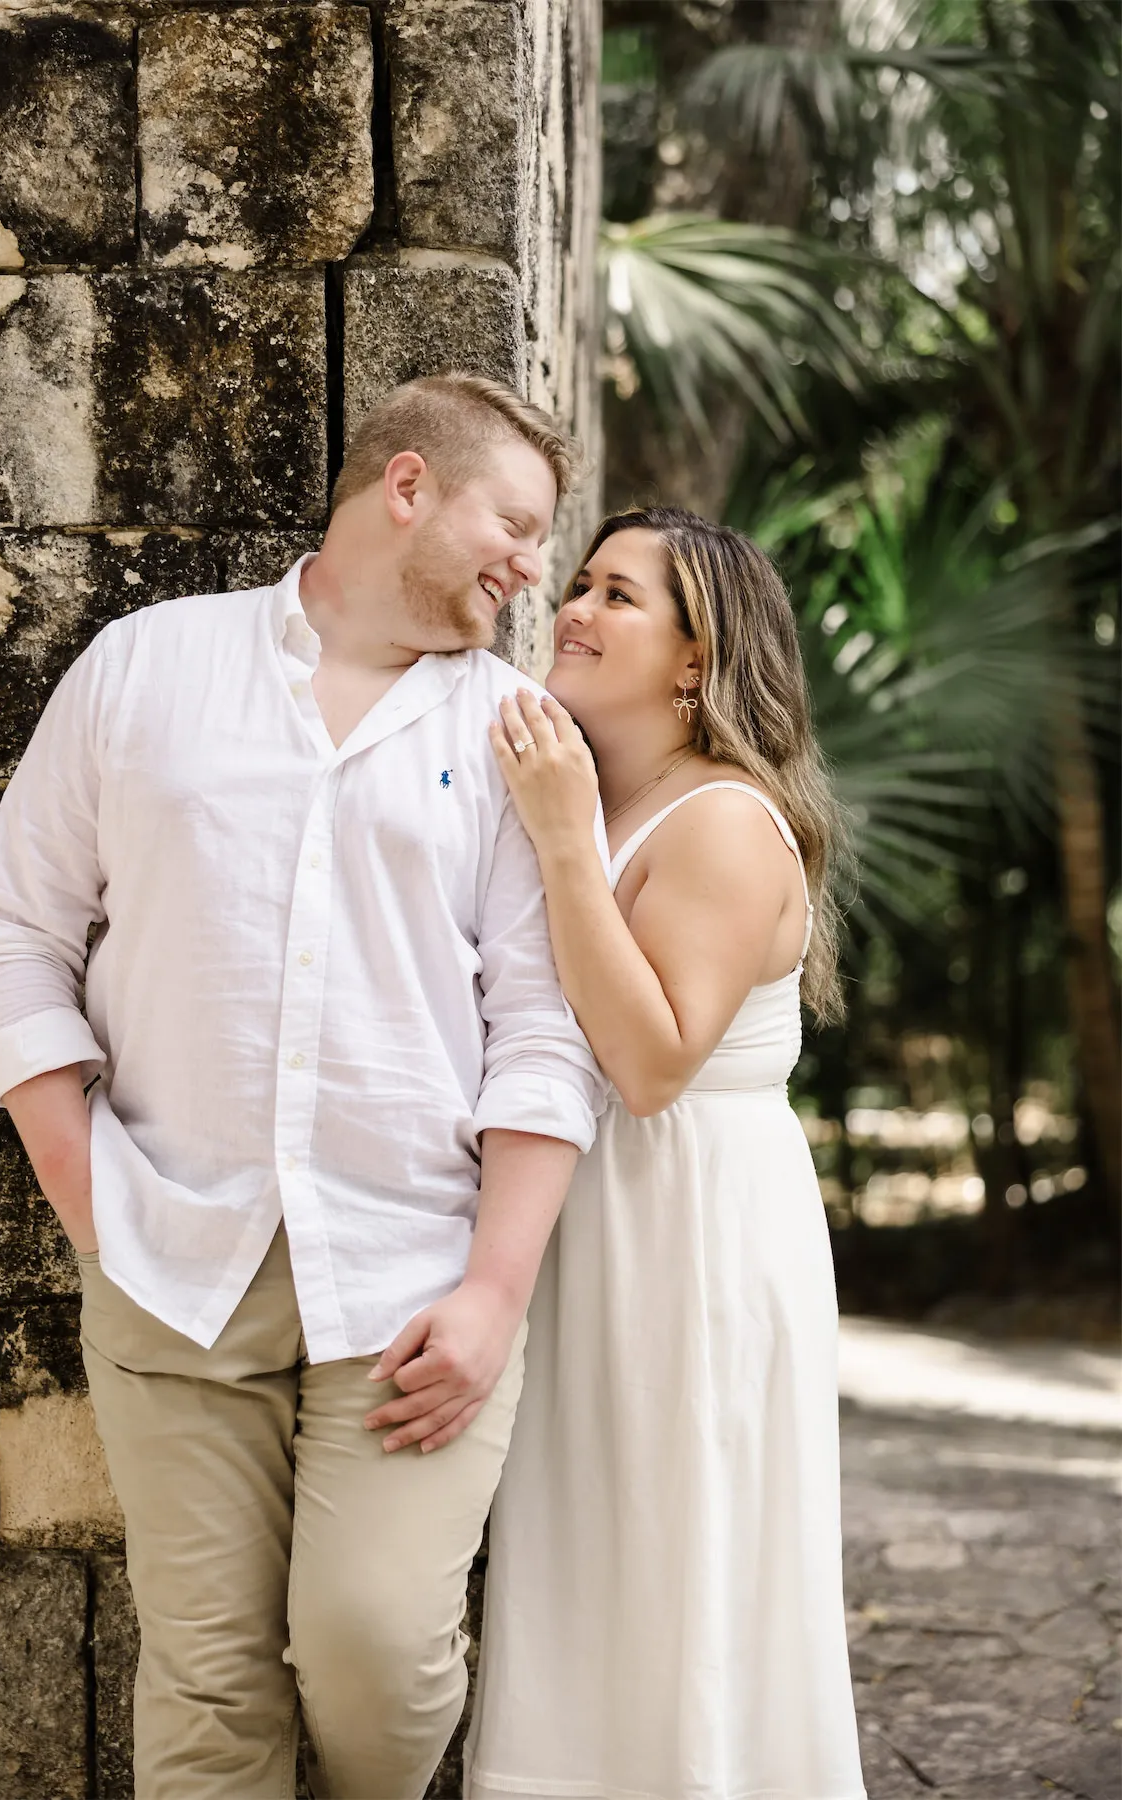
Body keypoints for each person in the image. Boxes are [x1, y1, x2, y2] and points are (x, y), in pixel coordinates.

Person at [0, 374, 607, 1800]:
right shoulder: (145, 667)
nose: (529, 565)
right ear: (410, 485)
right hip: (169, 1257)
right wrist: (81, 1183)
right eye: (515, 520)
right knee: (204, 1680)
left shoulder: (513, 733)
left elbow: (546, 1027)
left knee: (374, 1649)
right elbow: (13, 933)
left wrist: (497, 1291)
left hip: (413, 1278)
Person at [465, 506, 866, 1799]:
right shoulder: (610, 797)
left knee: (676, 1561)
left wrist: (565, 839)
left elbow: (648, 1066)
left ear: (698, 660)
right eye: (578, 584)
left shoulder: (722, 826)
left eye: (618, 596)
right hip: (602, 1227)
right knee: (587, 1562)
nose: (574, 609)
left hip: (688, 1233)